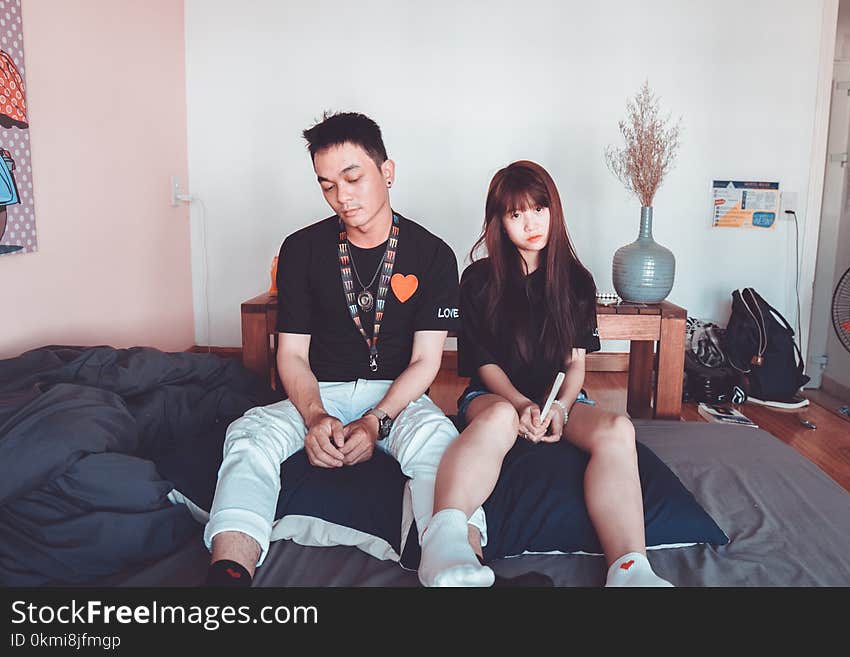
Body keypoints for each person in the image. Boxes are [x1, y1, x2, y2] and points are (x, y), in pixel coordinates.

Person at [203, 111, 487, 586]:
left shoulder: (434, 254)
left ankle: (456, 566)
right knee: (249, 435)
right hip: (320, 391)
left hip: (398, 396)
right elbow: (291, 355)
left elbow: (426, 362)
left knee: (443, 447)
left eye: (353, 177)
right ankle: (228, 575)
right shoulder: (300, 249)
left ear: (387, 172)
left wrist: (377, 421)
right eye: (327, 184)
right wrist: (314, 415)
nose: (342, 196)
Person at [418, 160, 673, 587]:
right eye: (515, 214)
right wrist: (519, 403)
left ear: (553, 209)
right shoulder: (478, 279)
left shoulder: (576, 280)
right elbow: (483, 363)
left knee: (617, 429)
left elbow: (575, 363)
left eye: (538, 209)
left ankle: (630, 570)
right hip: (494, 395)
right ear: (499, 222)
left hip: (560, 396)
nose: (530, 223)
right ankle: (443, 539)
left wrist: (560, 405)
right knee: (499, 417)